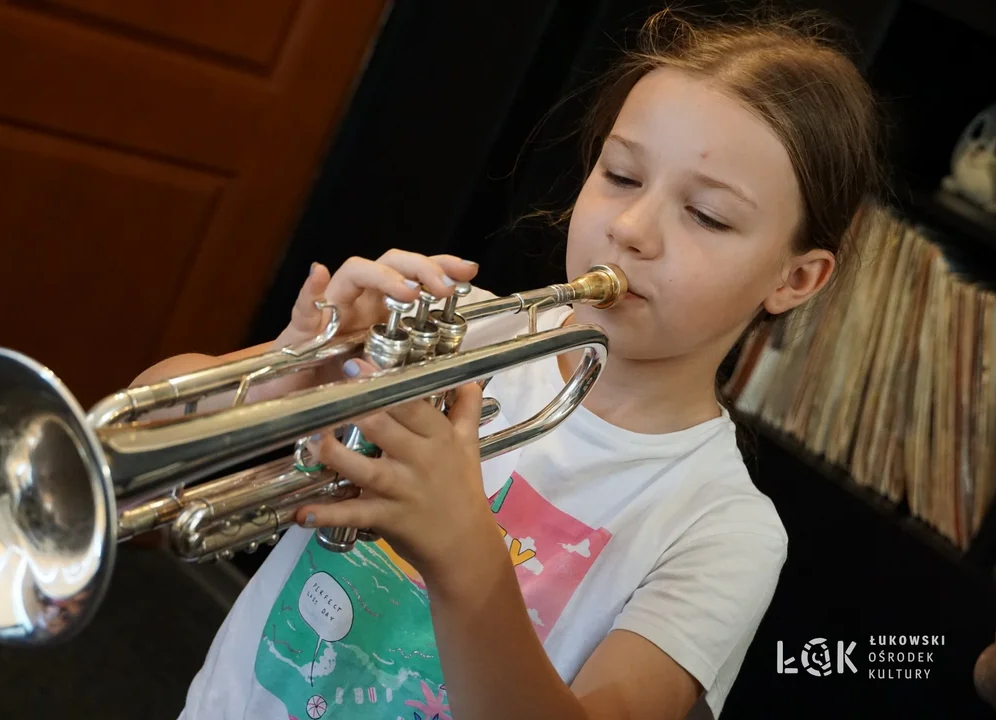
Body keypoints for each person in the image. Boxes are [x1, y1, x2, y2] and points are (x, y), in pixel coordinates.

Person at [136, 7, 883, 719]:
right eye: (621, 176)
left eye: (707, 215)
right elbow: (139, 424)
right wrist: (293, 366)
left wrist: (467, 557)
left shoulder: (724, 530)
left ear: (796, 280)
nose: (629, 229)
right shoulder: (459, 335)